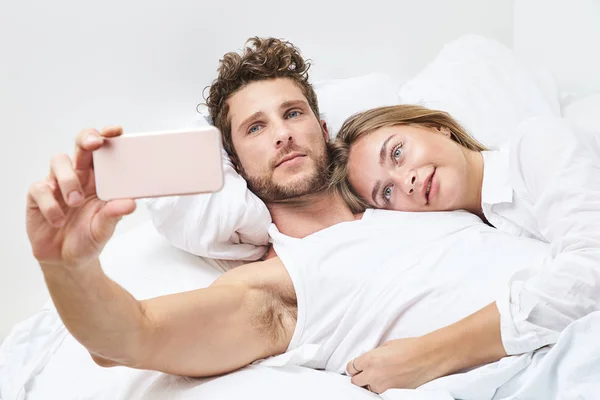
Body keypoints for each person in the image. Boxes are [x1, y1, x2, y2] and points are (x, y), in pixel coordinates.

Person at [24, 37, 564, 396]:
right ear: (235, 164)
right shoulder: (285, 282)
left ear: (322, 129)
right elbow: (131, 336)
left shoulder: (413, 190)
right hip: (547, 372)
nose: (282, 132)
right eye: (254, 128)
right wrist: (67, 267)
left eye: (292, 113)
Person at [329, 104, 600, 391]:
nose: (405, 182)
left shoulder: (537, 143)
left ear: (436, 127)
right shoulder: (467, 244)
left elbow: (591, 268)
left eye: (397, 153)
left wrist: (428, 355)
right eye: (386, 192)